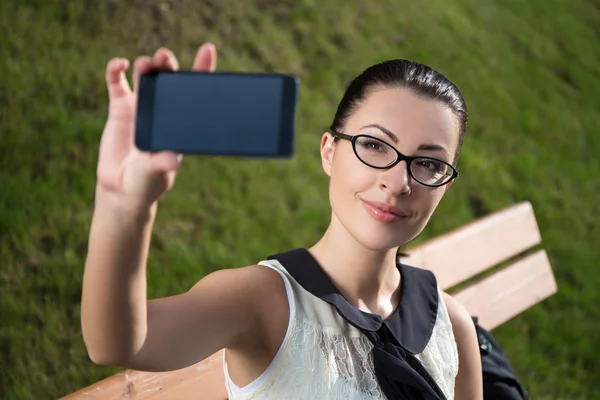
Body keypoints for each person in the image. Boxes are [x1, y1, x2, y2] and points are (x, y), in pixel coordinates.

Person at [81, 42, 483, 399]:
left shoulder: (454, 327)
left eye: (429, 164)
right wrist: (124, 205)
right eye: (375, 145)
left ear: (444, 185)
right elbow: (115, 345)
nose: (397, 183)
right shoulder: (262, 301)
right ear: (329, 152)